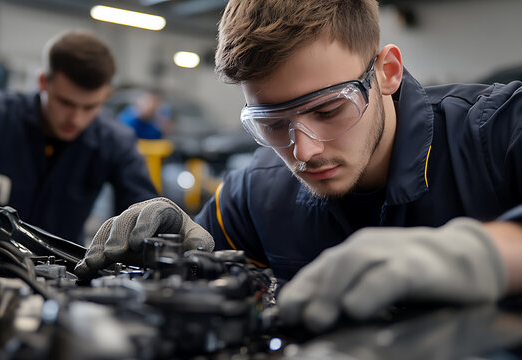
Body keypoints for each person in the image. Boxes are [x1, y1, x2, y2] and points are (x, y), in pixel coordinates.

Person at [75, 0, 522, 332]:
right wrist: (180, 253)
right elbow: (215, 276)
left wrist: (477, 256)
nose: (303, 152)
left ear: (387, 71)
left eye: (329, 110)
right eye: (272, 124)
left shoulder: (496, 130)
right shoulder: (253, 194)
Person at [0, 30, 157, 243]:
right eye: (66, 103)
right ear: (42, 82)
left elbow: (142, 205)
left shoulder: (114, 141)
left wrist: (156, 220)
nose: (76, 119)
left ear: (106, 95)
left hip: (64, 268)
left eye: (90, 106)